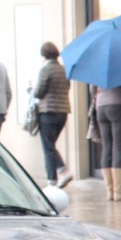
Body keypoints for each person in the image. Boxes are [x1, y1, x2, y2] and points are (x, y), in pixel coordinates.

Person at [33, 42, 73, 187]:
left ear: (44, 55)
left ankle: (54, 178)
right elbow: (67, 87)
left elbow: (39, 92)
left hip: (48, 112)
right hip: (63, 112)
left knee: (48, 147)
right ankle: (60, 172)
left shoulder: (46, 70)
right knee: (51, 145)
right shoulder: (64, 70)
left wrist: (31, 90)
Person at [95, 81, 121, 201]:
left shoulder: (98, 67)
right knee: (118, 148)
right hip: (119, 105)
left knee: (107, 147)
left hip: (101, 107)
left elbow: (92, 91)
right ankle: (119, 191)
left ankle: (109, 191)